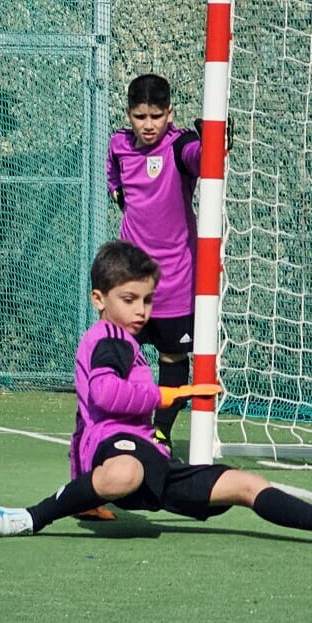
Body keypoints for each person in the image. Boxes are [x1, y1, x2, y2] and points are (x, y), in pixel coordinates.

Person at [0, 240, 312, 548]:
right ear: (99, 299)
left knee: (246, 484)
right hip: (117, 449)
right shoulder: (107, 338)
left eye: (147, 300)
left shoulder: (125, 343)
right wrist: (170, 394)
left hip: (152, 461)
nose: (141, 310)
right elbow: (105, 394)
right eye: (129, 299)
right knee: (126, 471)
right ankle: (31, 517)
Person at [106, 73, 205, 448]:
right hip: (129, 280)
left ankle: (161, 432)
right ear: (129, 115)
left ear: (170, 113)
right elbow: (113, 174)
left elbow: (200, 159)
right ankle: (119, 429)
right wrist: (118, 192)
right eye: (140, 116)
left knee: (173, 357)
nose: (148, 125)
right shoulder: (119, 144)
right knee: (116, 354)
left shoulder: (181, 146)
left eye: (156, 116)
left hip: (174, 281)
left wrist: (212, 142)